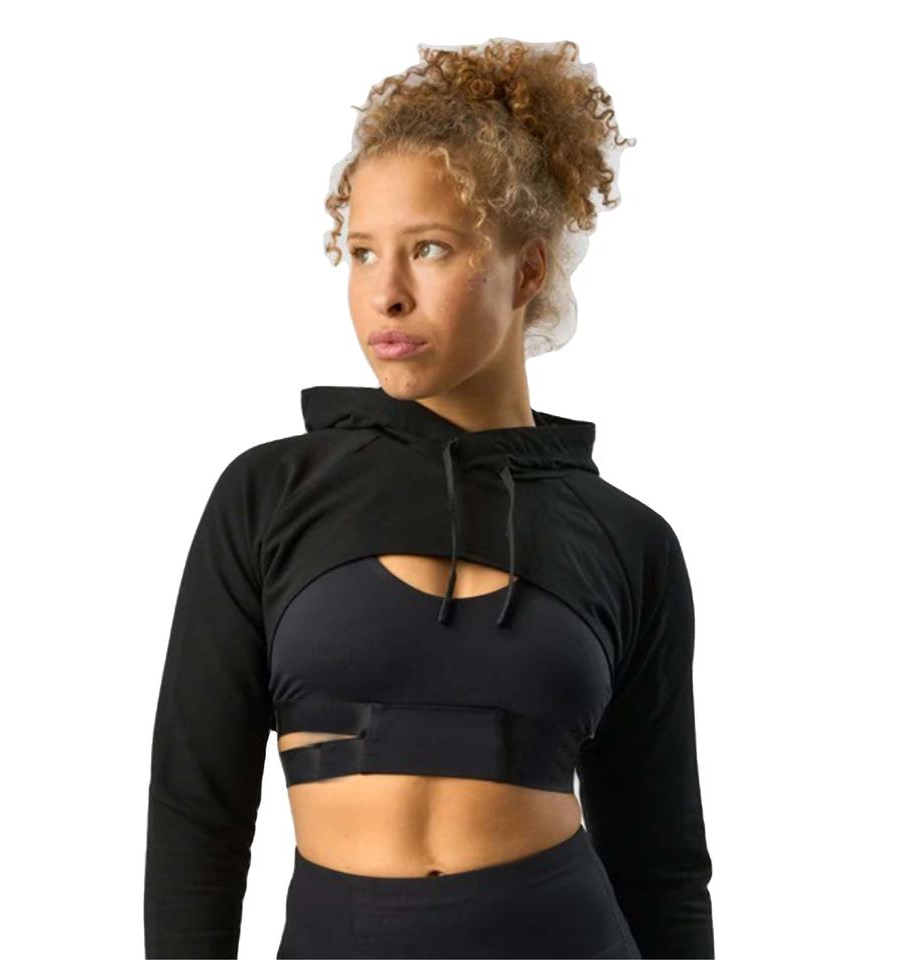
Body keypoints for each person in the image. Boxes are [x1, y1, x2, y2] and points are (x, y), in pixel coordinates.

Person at [143, 37, 714, 960]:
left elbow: (661, 868)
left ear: (530, 270)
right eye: (363, 253)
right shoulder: (270, 496)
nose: (387, 295)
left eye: (431, 249)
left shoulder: (628, 541)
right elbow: (194, 816)